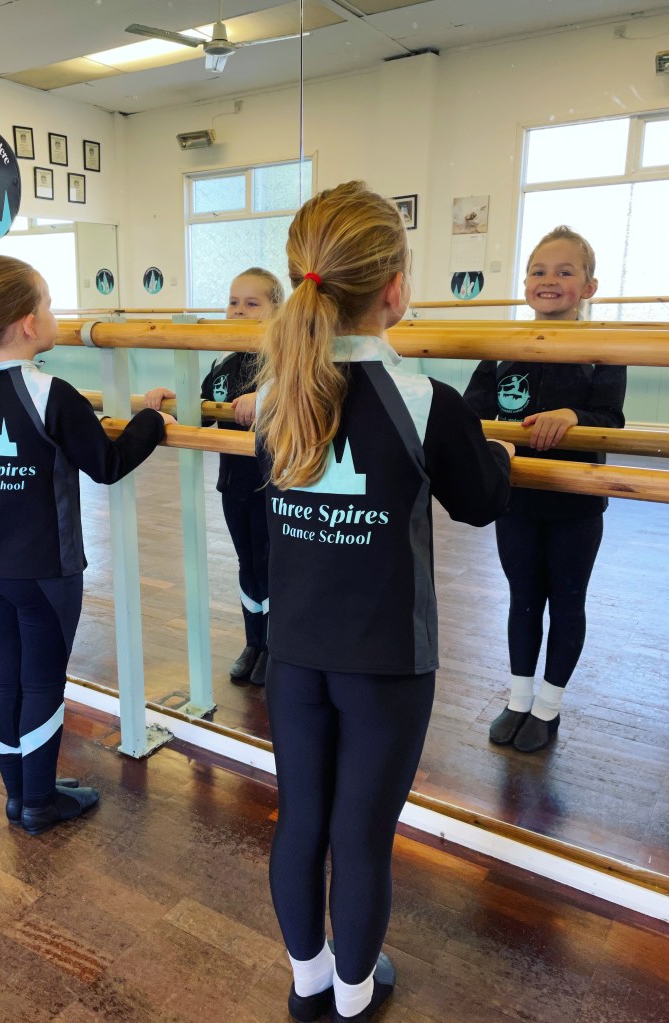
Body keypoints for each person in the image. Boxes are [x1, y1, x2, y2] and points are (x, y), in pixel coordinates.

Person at [255, 181, 514, 1023]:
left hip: (292, 652)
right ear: (395, 290)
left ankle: (307, 988)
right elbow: (479, 500)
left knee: (302, 818)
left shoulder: (272, 393)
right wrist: (498, 452)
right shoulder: (425, 401)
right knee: (359, 832)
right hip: (385, 662)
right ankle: (356, 998)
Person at [0, 254, 173, 835]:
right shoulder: (52, 393)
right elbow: (108, 464)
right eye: (47, 303)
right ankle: (40, 804)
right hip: (45, 573)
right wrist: (151, 420)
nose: (53, 314)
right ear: (24, 323)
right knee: (41, 683)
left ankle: (20, 795)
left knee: (7, 679)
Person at [464, 226, 626, 753]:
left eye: (564, 271)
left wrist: (573, 415)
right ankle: (517, 697)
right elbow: (473, 412)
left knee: (567, 601)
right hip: (516, 498)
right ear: (525, 282)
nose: (549, 280)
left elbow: (612, 417)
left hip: (575, 503)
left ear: (590, 286)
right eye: (538, 271)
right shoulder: (503, 349)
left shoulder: (602, 349)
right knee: (523, 598)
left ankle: (549, 707)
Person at [144, 267, 284, 686]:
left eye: (252, 304)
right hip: (234, 483)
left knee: (269, 563)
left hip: (272, 484)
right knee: (247, 563)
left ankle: (277, 647)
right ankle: (254, 641)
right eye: (233, 302)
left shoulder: (283, 361)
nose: (238, 311)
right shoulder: (223, 362)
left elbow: (297, 399)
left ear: (275, 311)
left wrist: (262, 397)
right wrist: (169, 398)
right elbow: (200, 406)